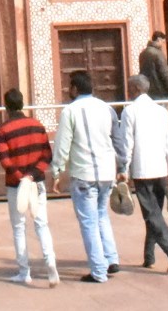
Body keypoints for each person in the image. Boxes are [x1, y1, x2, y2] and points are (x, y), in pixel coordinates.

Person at [53, 70, 121, 284]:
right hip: (107, 172)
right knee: (101, 216)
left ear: (75, 89)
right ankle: (111, 258)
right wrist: (122, 167)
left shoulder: (70, 111)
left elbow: (63, 144)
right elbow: (116, 138)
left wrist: (57, 170)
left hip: (85, 174)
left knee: (89, 222)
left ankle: (99, 270)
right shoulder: (106, 108)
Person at [115, 74, 168, 272]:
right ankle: (149, 257)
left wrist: (123, 168)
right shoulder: (160, 111)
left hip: (142, 169)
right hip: (160, 168)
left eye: (130, 88)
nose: (128, 91)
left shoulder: (130, 112)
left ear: (135, 89)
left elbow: (127, 144)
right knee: (155, 214)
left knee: (151, 215)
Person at [0, 88, 59, 288]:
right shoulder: (37, 126)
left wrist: (21, 178)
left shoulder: (3, 130)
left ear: (6, 107)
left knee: (19, 227)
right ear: (22, 104)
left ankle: (24, 272)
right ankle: (50, 263)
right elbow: (47, 155)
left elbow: (5, 160)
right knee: (41, 224)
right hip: (36, 182)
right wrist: (32, 175)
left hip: (16, 185)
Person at [139, 31, 168, 102]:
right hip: (160, 92)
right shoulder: (158, 54)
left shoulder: (143, 53)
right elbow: (165, 74)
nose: (163, 44)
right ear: (159, 39)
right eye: (163, 42)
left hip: (146, 91)